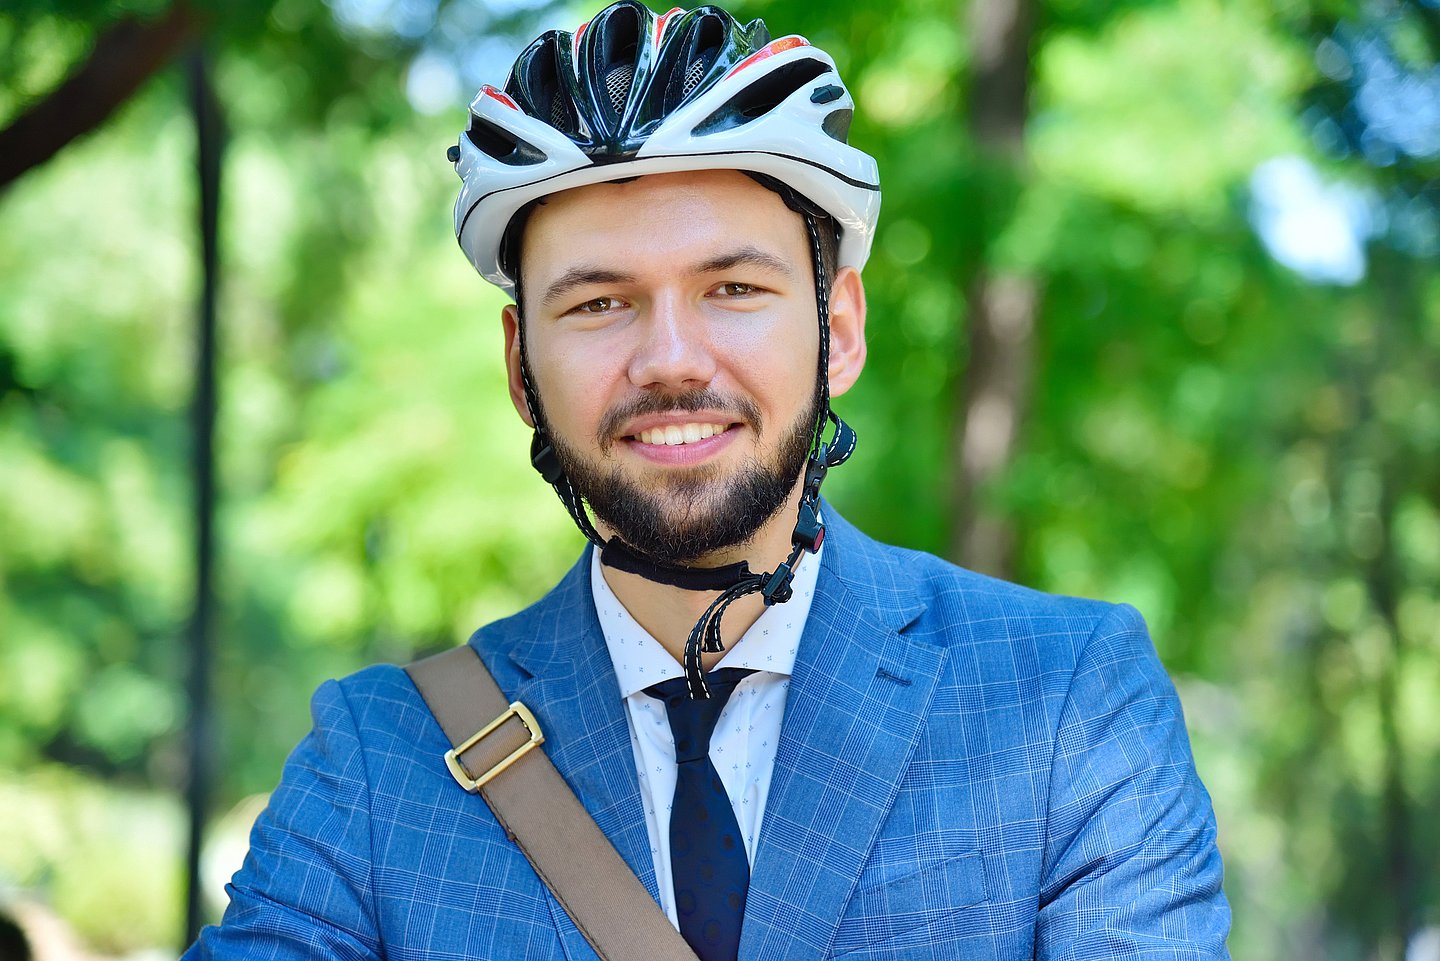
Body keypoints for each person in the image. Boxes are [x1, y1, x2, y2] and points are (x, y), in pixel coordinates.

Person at [186, 1, 1230, 958]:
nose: (672, 359)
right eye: (598, 304)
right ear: (518, 367)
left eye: (733, 287)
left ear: (841, 329)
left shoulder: (1066, 704)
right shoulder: (379, 766)